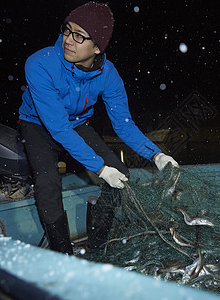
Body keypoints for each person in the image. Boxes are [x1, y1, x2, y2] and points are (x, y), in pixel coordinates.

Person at [18, 2, 178, 255]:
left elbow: (124, 125)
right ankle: (63, 255)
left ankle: (97, 245)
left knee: (121, 174)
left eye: (79, 36)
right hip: (37, 125)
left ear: (97, 47)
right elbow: (58, 128)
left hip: (78, 124)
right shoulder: (39, 64)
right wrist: (101, 169)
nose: (68, 40)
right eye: (67, 30)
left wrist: (155, 154)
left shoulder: (108, 75)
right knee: (48, 183)